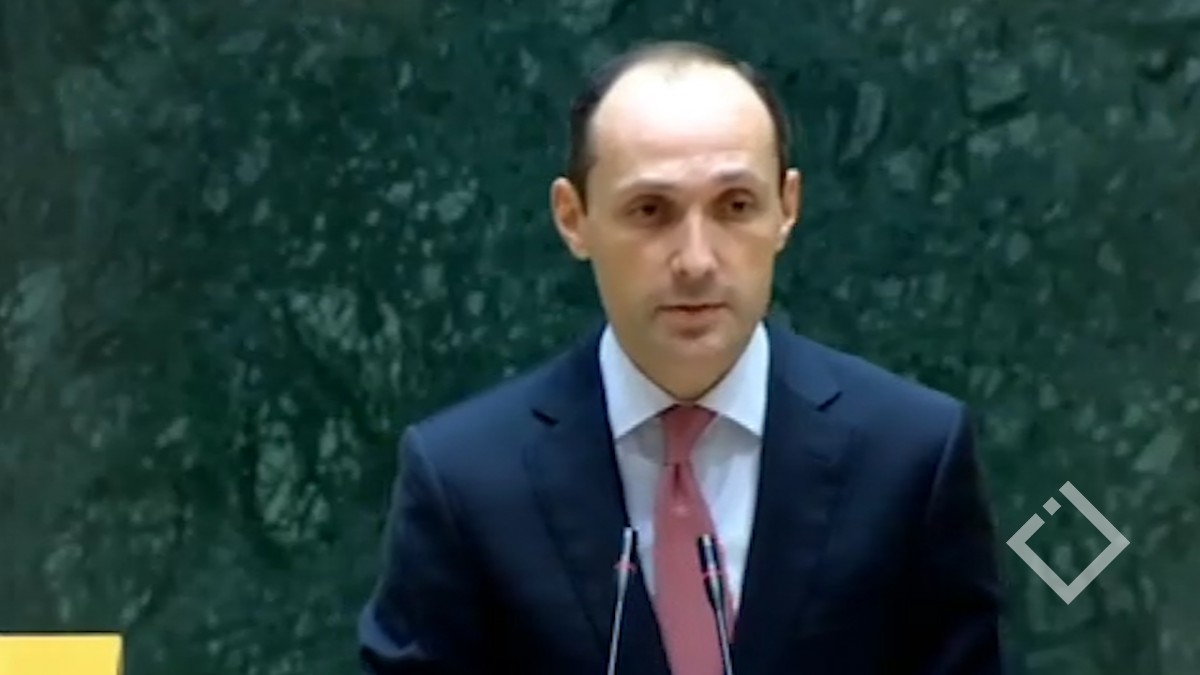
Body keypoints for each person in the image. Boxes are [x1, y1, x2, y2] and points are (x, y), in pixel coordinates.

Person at [357, 40, 1005, 675]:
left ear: (787, 209)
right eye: (651, 210)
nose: (696, 260)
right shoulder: (466, 481)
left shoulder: (909, 456)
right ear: (574, 218)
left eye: (736, 206)